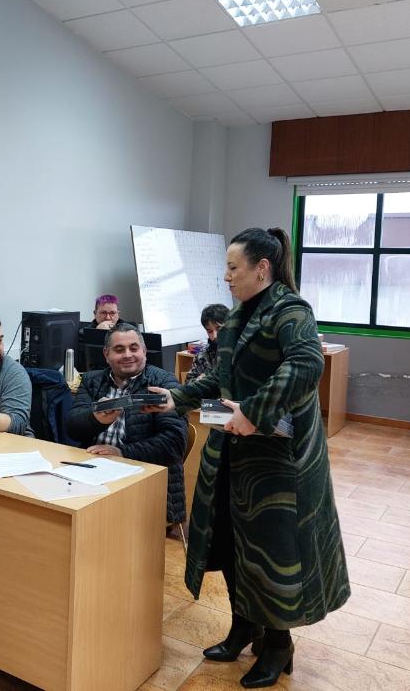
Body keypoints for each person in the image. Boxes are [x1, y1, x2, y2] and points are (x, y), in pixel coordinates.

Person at [145, 228, 349, 689]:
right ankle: (243, 626)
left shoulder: (291, 310)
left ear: (262, 268)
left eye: (234, 268)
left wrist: (255, 412)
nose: (226, 277)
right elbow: (222, 376)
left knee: (273, 550)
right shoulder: (239, 314)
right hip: (233, 448)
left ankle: (279, 644)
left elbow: (305, 365)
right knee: (233, 539)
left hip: (278, 458)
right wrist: (175, 398)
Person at [66, 323, 187, 525]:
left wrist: (122, 453)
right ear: (106, 354)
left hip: (144, 481)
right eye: (119, 349)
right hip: (94, 474)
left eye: (134, 348)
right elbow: (72, 427)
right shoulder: (92, 380)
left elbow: (174, 443)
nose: (128, 355)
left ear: (144, 351)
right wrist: (95, 419)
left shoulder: (164, 383)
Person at [185, 303, 230, 382]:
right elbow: (188, 381)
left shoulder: (240, 349)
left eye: (219, 329)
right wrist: (198, 380)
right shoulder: (204, 354)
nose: (215, 335)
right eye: (210, 331)